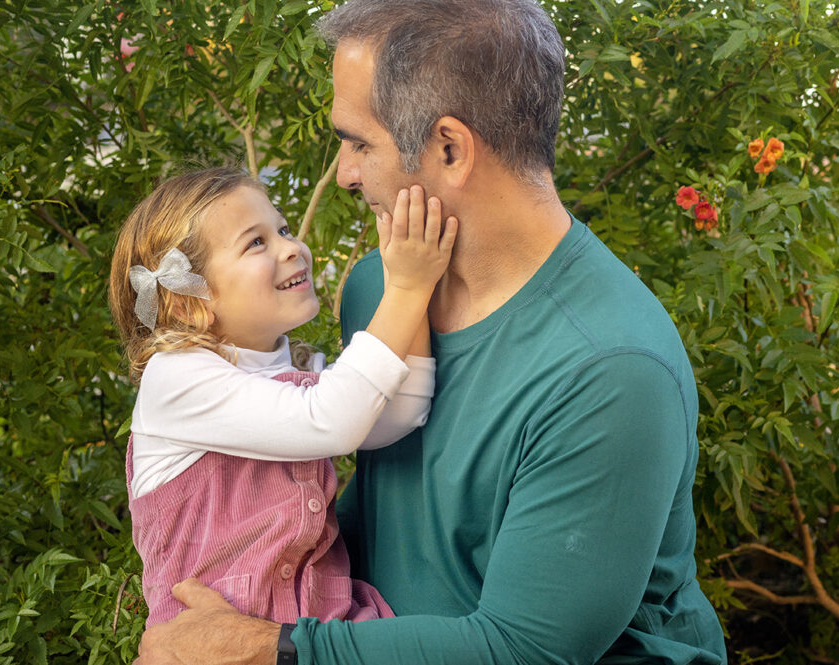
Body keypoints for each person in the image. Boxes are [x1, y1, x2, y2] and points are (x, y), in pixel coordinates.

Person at [133, 1, 728, 663]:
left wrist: (273, 646)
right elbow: (381, 512)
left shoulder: (610, 370)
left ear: (449, 148)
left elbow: (527, 650)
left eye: (359, 142)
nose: (347, 172)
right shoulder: (379, 293)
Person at [109, 167, 457, 627]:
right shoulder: (177, 380)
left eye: (284, 229)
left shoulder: (302, 374)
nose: (292, 247)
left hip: (322, 633)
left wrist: (419, 289)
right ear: (187, 302)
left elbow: (401, 413)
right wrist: (405, 288)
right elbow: (334, 420)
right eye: (256, 242)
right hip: (214, 652)